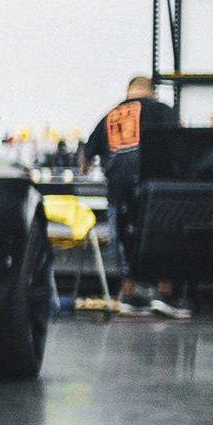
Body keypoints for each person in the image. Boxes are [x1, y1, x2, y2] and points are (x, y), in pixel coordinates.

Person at [81, 75, 184, 316]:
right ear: (153, 92)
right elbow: (180, 142)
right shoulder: (162, 110)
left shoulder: (111, 114)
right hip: (155, 187)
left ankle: (129, 295)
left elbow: (86, 156)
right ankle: (164, 294)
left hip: (118, 187)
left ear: (129, 91)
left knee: (124, 240)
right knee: (163, 235)